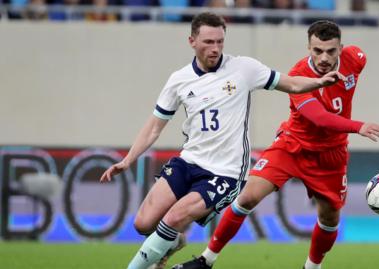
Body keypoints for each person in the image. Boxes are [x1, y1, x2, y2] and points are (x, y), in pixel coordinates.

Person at [100, 12, 345, 269]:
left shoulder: (244, 69)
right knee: (143, 223)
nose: (215, 48)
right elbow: (153, 127)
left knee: (173, 218)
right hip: (189, 161)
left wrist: (319, 82)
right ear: (192, 41)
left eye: (220, 42)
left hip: (225, 173)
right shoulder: (179, 80)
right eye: (208, 42)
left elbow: (292, 84)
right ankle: (173, 241)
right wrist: (128, 160)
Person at [173, 20, 379, 269]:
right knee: (247, 197)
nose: (324, 58)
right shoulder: (299, 77)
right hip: (293, 146)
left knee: (330, 217)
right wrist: (358, 126)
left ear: (341, 48)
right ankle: (206, 260)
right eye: (317, 51)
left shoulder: (356, 58)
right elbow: (319, 118)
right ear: (309, 48)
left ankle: (312, 268)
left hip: (331, 154)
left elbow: (356, 65)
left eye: (331, 51)